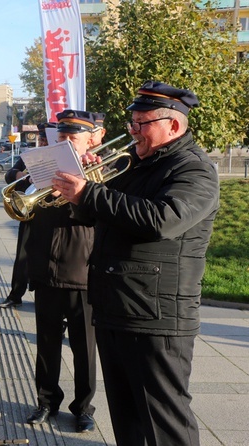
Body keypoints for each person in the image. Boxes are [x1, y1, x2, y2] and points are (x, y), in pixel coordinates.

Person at [52, 80, 219, 445]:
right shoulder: (135, 166)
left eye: (141, 124)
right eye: (132, 124)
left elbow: (162, 220)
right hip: (118, 307)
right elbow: (104, 218)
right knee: (127, 420)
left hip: (157, 315)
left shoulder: (194, 170)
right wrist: (80, 192)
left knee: (165, 423)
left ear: (173, 125)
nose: (133, 131)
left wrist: (91, 192)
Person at [21, 110, 97, 433]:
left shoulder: (96, 172)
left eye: (73, 138)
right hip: (45, 270)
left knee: (84, 349)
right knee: (47, 345)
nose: (67, 143)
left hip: (82, 273)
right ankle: (46, 401)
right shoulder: (45, 169)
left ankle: (83, 407)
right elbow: (26, 208)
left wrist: (76, 195)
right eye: (62, 138)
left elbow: (99, 218)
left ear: (88, 140)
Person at [0, 122, 55, 309]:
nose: (43, 142)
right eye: (41, 138)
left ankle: (47, 298)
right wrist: (24, 175)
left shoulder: (60, 157)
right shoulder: (31, 156)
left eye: (46, 138)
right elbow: (10, 174)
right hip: (29, 211)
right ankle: (15, 294)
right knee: (22, 255)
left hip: (53, 213)